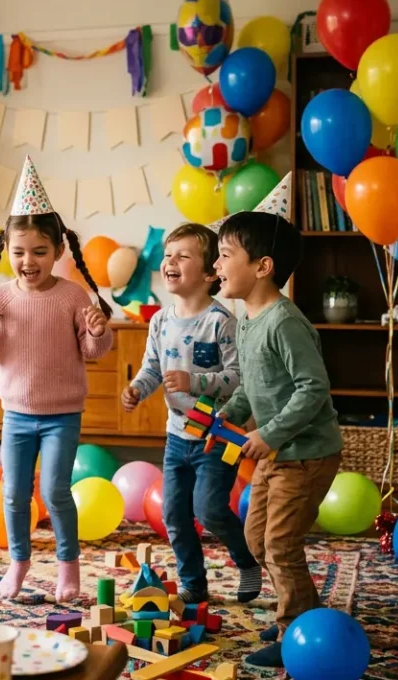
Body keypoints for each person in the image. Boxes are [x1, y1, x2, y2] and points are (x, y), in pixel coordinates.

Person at [0, 156, 113, 603]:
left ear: (58, 251)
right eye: (19, 252)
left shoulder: (72, 296)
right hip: (16, 416)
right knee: (16, 496)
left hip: (62, 416)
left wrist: (99, 332)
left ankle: (68, 568)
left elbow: (93, 352)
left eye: (39, 251)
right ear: (6, 251)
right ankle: (18, 564)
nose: (28, 261)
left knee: (57, 492)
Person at [211, 176, 343, 668]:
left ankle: (295, 633)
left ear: (262, 267)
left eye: (226, 255)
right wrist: (231, 415)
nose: (217, 264)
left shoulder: (285, 322)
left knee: (281, 543)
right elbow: (252, 385)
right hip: (277, 451)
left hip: (306, 454)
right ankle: (303, 608)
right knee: (255, 536)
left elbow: (313, 389)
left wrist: (268, 433)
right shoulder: (246, 318)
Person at [122, 223, 260, 605]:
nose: (170, 262)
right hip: (176, 437)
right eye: (168, 255)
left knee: (211, 509)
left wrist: (193, 381)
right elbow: (152, 369)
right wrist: (137, 389)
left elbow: (237, 379)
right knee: (174, 516)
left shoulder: (221, 322)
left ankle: (247, 561)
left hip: (217, 436)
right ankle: (194, 585)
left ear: (210, 272)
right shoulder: (160, 322)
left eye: (183, 256)